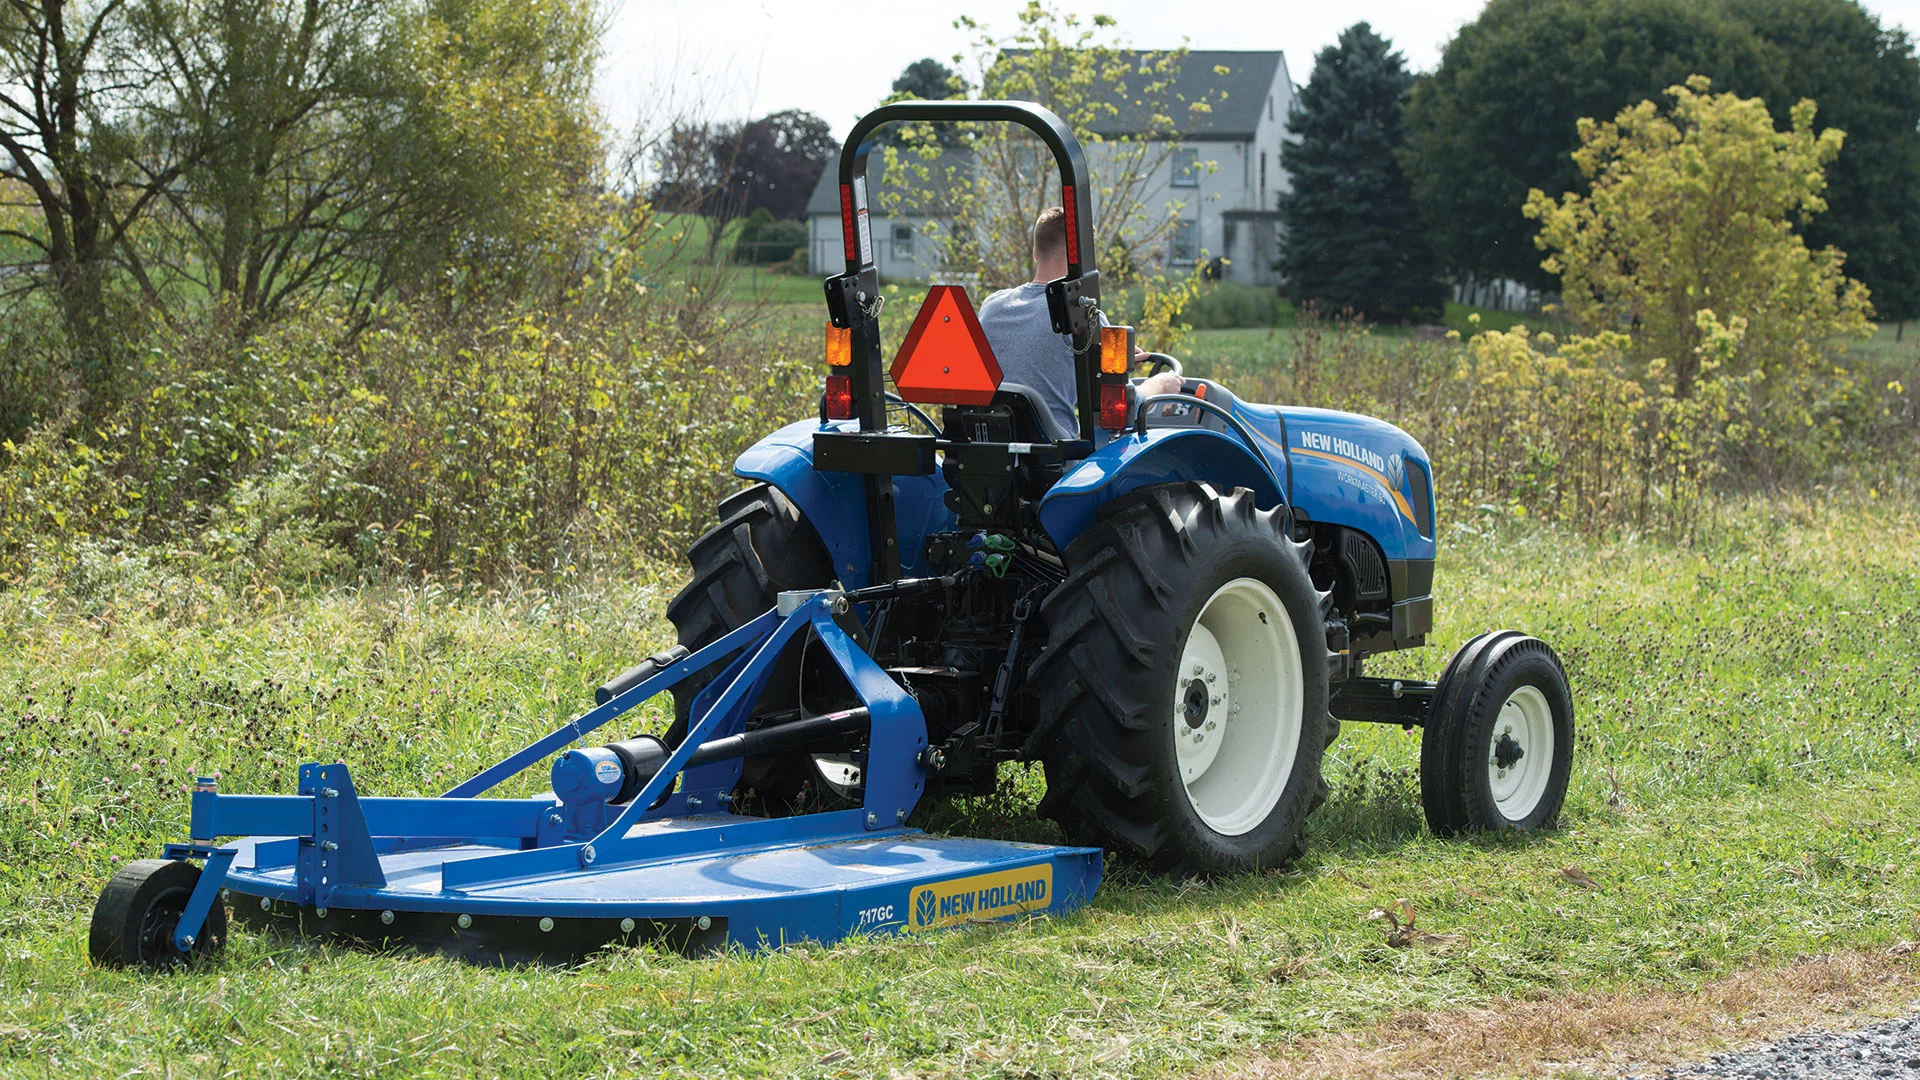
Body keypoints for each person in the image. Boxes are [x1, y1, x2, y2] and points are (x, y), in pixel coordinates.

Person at [976, 207, 1184, 437]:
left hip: (989, 444)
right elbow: (1121, 406)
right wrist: (1160, 385)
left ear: (1035, 252)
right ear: (1082, 259)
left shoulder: (992, 306)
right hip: (1052, 460)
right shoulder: (1082, 316)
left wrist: (1102, 360)